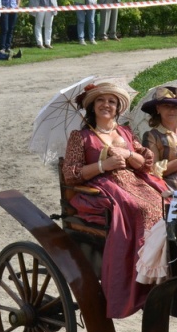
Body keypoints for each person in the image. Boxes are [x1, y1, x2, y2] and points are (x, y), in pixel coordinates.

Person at [62, 83, 168, 318]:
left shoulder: (126, 133)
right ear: (92, 106)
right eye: (101, 100)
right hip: (104, 186)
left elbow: (146, 162)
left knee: (167, 204)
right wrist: (104, 165)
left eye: (111, 101)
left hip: (136, 181)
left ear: (118, 107)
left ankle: (164, 260)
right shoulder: (82, 136)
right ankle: (140, 274)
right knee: (139, 208)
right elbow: (70, 173)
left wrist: (129, 155)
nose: (106, 105)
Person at [142, 86, 177, 192]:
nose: (172, 110)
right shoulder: (151, 136)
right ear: (158, 108)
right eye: (166, 106)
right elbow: (151, 170)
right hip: (169, 186)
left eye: (176, 107)